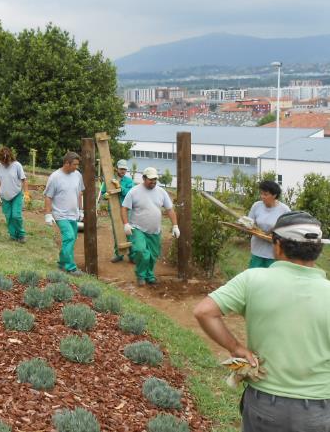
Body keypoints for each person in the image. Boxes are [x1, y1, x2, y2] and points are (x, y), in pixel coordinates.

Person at [193, 211, 330, 431]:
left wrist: (236, 347)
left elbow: (204, 311)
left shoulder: (252, 279)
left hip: (266, 404)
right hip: (319, 409)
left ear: (277, 245)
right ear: (318, 250)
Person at [120, 167, 179, 285]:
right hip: (138, 228)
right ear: (144, 178)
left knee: (153, 255)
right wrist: (126, 224)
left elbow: (170, 210)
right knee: (141, 251)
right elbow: (124, 208)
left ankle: (149, 275)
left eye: (155, 179)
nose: (153, 182)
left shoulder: (161, 192)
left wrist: (175, 226)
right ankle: (141, 275)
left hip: (155, 230)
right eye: (150, 179)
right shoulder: (134, 191)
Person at [44, 152, 85, 276]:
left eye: (78, 165)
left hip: (73, 214)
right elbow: (48, 196)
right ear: (67, 163)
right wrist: (48, 214)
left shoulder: (77, 175)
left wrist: (81, 210)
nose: (76, 167)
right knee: (69, 237)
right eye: (75, 164)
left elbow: (79, 193)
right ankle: (70, 267)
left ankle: (62, 262)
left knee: (71, 239)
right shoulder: (55, 177)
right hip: (60, 214)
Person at [240, 180, 290, 269]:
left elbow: (288, 230)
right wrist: (245, 225)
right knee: (254, 276)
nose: (262, 197)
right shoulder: (256, 206)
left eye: (265, 194)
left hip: (274, 252)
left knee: (271, 278)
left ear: (274, 195)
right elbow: (249, 223)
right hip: (257, 249)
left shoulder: (284, 210)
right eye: (261, 194)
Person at [100, 159, 134, 263]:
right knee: (117, 232)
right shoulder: (109, 179)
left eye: (124, 169)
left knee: (129, 232)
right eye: (121, 169)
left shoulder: (129, 181)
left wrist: (120, 187)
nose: (123, 171)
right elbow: (103, 193)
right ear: (117, 168)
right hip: (113, 210)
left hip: (126, 209)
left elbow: (131, 194)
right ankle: (119, 254)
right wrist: (105, 196)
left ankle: (132, 256)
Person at [0, 146, 29, 243]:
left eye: (6, 161)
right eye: (2, 161)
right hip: (4, 196)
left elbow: (24, 179)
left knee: (16, 216)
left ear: (10, 157)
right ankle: (13, 235)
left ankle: (21, 235)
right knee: (8, 216)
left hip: (16, 195)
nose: (4, 163)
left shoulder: (17, 165)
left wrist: (26, 193)